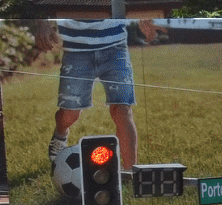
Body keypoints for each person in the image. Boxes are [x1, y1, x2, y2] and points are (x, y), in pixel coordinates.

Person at [41, 18, 153, 174]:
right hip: (76, 49)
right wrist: (43, 22)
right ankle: (60, 134)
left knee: (122, 111)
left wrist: (146, 17)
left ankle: (130, 174)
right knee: (70, 114)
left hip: (115, 46)